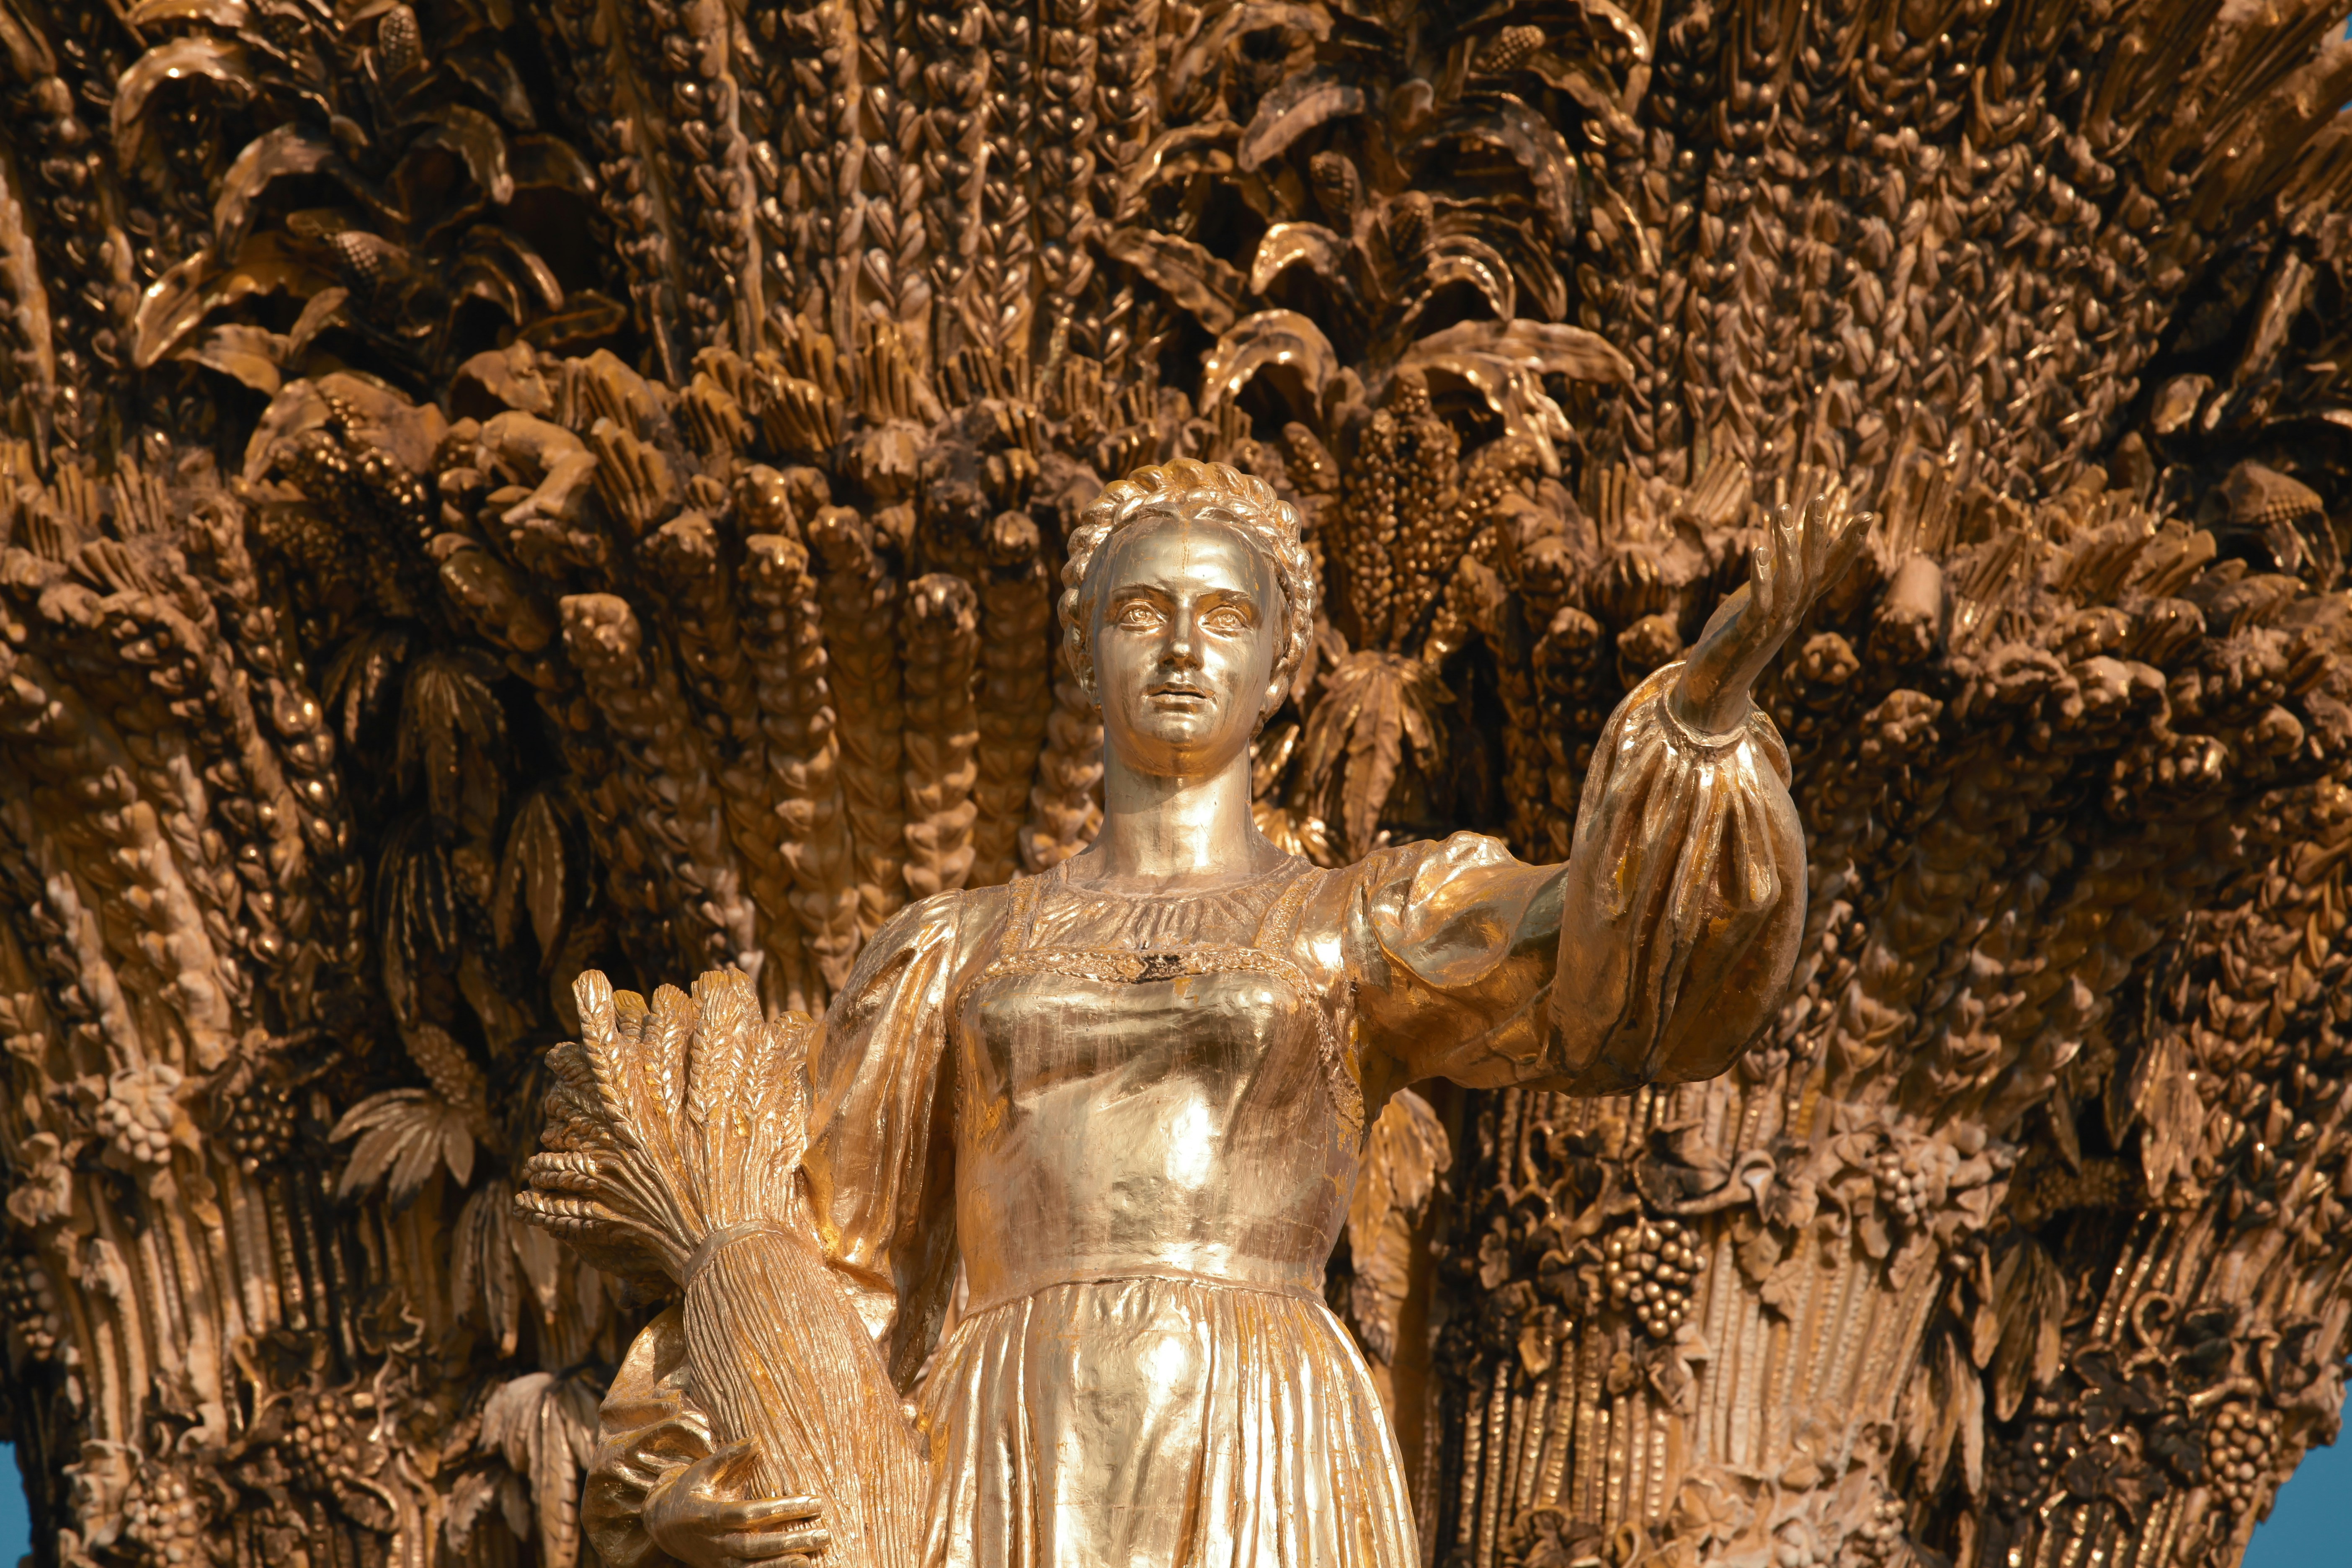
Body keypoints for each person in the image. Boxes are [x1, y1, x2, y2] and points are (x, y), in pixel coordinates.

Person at [581, 458, 1861, 1568]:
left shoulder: (1358, 921)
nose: (1184, 648)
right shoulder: (955, 953)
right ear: (1085, 655)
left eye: (1226, 615)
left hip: (1263, 1422)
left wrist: (1701, 719)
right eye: (1141, 613)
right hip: (1012, 1427)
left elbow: (1604, 959)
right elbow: (832, 1258)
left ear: (1279, 664)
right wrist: (687, 1474)